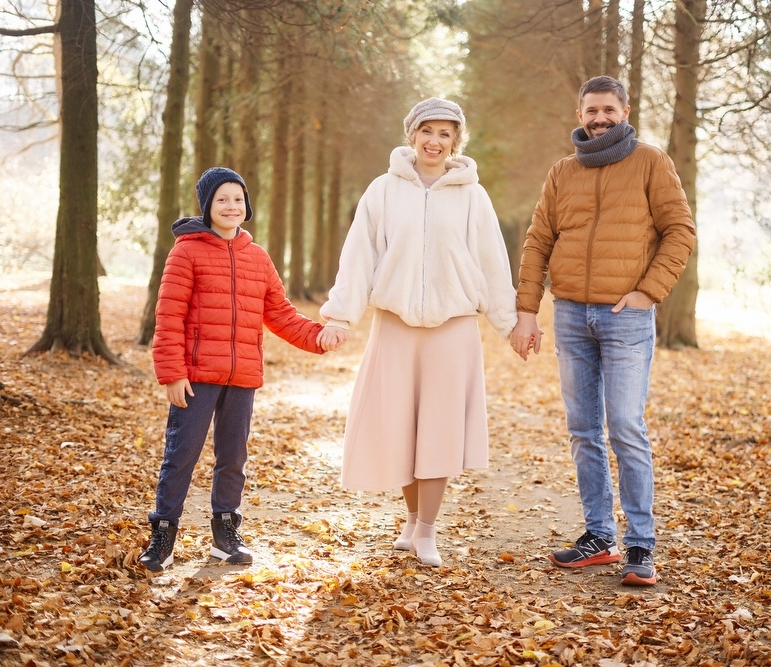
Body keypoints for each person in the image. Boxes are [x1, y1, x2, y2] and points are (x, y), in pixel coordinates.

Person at [509, 76, 695, 585]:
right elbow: (537, 241)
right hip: (570, 314)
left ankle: (640, 545)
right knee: (583, 429)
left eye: (609, 109)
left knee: (627, 429)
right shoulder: (562, 172)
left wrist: (648, 292)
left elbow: (680, 230)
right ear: (580, 114)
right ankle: (598, 536)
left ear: (625, 111)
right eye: (592, 110)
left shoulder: (651, 162)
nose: (600, 118)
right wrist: (527, 311)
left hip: (625, 317)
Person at [317, 97, 517, 568]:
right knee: (402, 427)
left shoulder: (472, 195)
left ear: (456, 141)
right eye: (428, 131)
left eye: (446, 134)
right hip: (395, 326)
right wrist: (341, 315)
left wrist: (509, 324)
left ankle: (427, 529)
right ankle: (411, 521)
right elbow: (359, 254)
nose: (435, 141)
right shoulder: (383, 191)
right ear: (412, 135)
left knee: (439, 432)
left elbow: (492, 262)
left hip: (453, 329)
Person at [139, 167, 330, 572]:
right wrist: (172, 372)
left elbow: (279, 312)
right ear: (207, 206)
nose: (231, 206)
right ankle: (163, 536)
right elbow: (169, 314)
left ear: (247, 206)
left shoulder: (257, 257)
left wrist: (317, 336)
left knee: (233, 457)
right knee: (181, 454)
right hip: (195, 377)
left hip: (241, 376)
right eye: (222, 199)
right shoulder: (186, 251)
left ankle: (225, 534)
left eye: (238, 199)